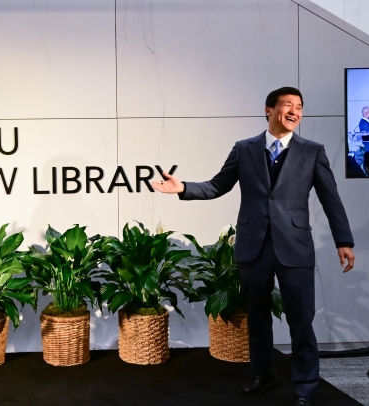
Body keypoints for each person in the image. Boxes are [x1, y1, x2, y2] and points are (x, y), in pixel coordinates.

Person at [152, 87, 355, 406]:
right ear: (269, 109)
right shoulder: (244, 149)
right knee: (257, 318)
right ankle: (263, 373)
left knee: (301, 320)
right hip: (253, 247)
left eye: (299, 107)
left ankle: (305, 385)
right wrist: (184, 188)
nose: (295, 111)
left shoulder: (312, 151)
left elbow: (331, 199)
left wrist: (344, 241)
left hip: (295, 246)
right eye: (288, 105)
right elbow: (218, 185)